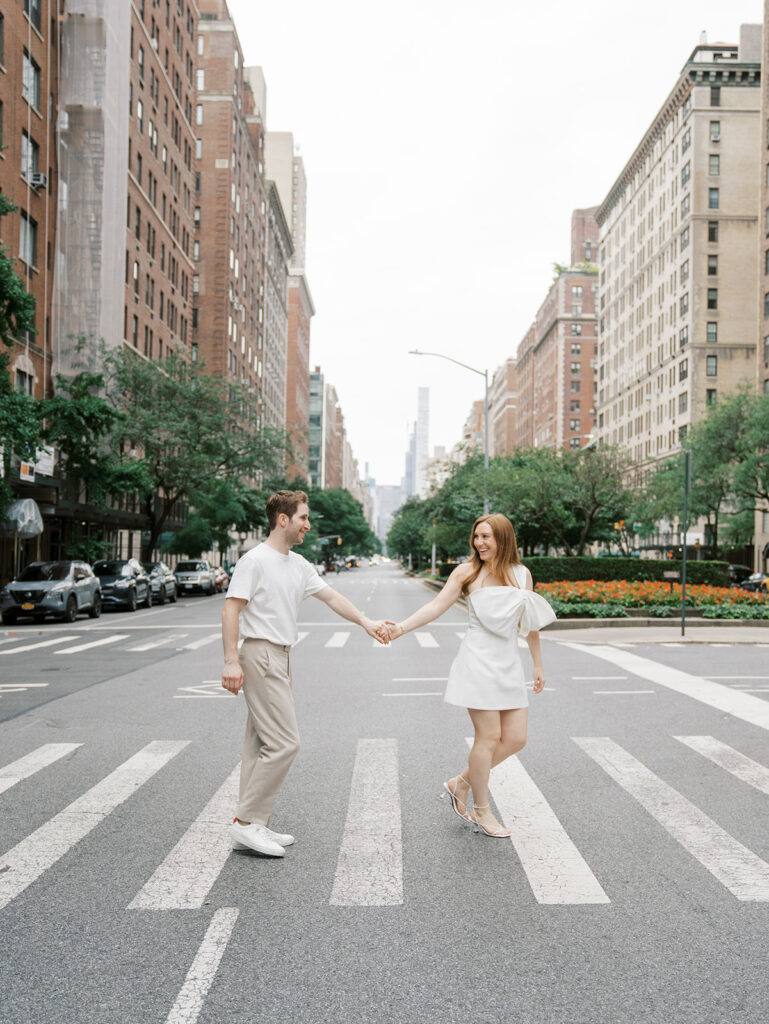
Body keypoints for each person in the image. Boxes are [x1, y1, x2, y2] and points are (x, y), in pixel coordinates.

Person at [221, 489, 387, 858]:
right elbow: (231, 609)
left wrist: (365, 621)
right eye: (303, 518)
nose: (308, 525)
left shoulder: (297, 564)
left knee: (260, 743)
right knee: (285, 742)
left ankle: (252, 823)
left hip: (281, 655)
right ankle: (248, 822)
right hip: (260, 652)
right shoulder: (255, 560)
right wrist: (231, 660)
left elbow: (332, 597)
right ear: (284, 520)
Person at [381, 513, 555, 838]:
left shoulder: (522, 574)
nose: (479, 543)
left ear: (503, 538)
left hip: (508, 664)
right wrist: (400, 628)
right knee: (487, 739)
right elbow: (436, 606)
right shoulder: (467, 572)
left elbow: (529, 623)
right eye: (477, 537)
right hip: (477, 663)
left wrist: (538, 664)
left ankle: (460, 782)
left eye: (487, 537)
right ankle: (482, 810)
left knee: (516, 738)